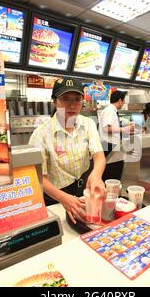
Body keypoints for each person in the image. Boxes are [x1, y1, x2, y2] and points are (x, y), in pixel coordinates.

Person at [29, 77, 106, 224]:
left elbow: (99, 156)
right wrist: (62, 198)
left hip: (83, 188)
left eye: (77, 99)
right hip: (55, 196)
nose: (72, 105)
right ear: (54, 101)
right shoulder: (42, 134)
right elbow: (38, 178)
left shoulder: (88, 124)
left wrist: (96, 175)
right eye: (65, 99)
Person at [99, 90, 134, 181]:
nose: (124, 103)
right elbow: (107, 128)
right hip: (108, 146)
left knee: (113, 172)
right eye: (123, 101)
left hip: (111, 146)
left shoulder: (112, 111)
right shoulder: (109, 111)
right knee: (111, 174)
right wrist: (124, 130)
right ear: (120, 100)